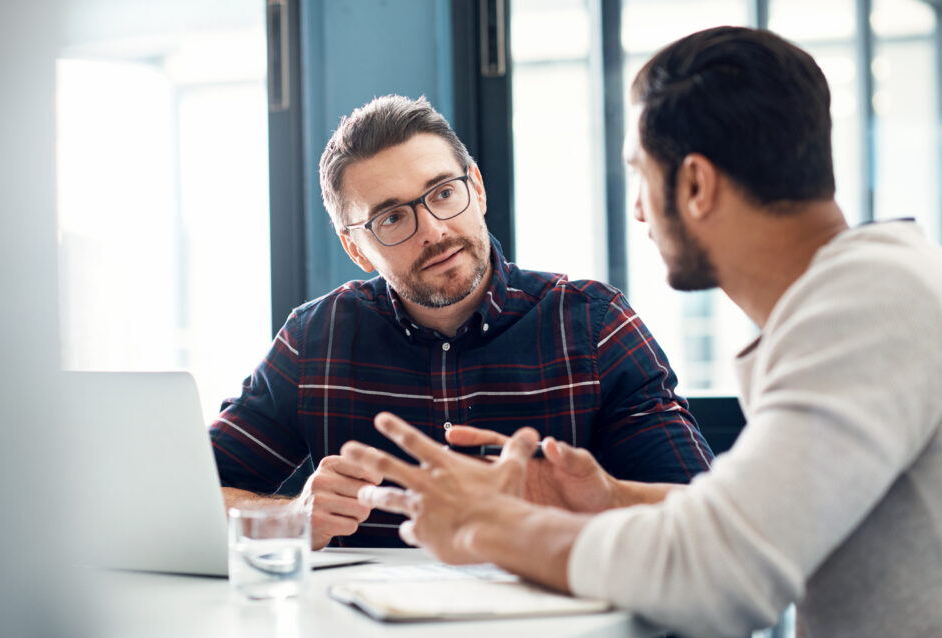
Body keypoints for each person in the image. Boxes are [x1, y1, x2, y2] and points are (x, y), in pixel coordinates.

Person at [343, 26, 942, 637]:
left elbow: (720, 574)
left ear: (694, 186)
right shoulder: (870, 293)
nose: (636, 209)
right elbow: (756, 519)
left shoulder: (867, 306)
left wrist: (488, 526)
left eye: (640, 174)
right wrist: (609, 497)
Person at [209, 95, 713, 549]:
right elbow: (190, 498)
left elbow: (702, 518)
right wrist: (289, 517)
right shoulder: (313, 341)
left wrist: (590, 500)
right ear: (354, 248)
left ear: (476, 188)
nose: (433, 229)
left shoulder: (595, 325)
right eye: (391, 218)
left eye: (444, 192)